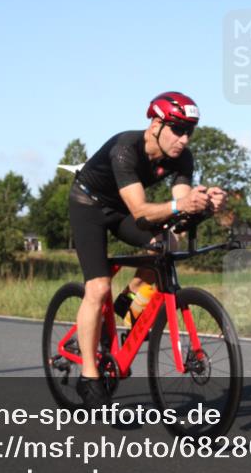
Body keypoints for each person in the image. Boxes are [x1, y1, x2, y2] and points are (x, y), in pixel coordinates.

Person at [68, 92, 227, 408]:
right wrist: (179, 203)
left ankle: (124, 309)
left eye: (189, 131)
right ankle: (89, 376)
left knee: (168, 243)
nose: (183, 139)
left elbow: (178, 211)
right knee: (98, 287)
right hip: (89, 206)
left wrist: (203, 204)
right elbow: (142, 212)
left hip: (122, 210)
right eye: (177, 130)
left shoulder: (182, 156)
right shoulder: (126, 149)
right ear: (155, 124)